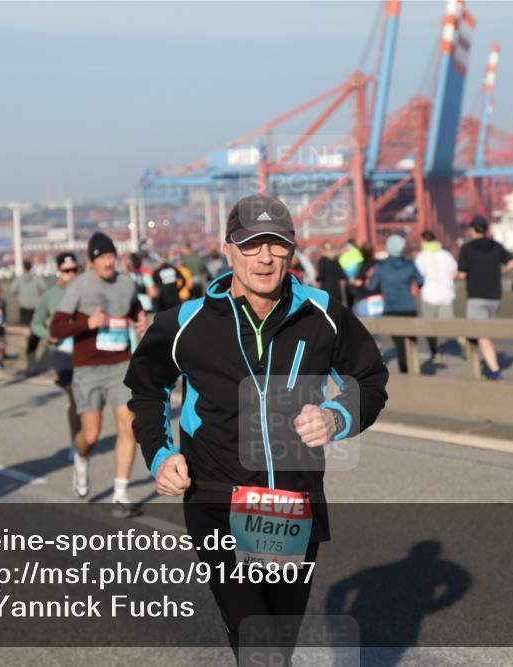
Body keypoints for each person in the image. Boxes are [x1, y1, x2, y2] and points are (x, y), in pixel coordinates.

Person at [125, 194, 389, 662]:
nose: (264, 257)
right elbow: (147, 391)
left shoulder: (322, 314)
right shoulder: (188, 323)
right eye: (251, 245)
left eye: (276, 244)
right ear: (228, 251)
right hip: (218, 503)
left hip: (294, 507)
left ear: (291, 249)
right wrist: (162, 454)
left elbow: (369, 378)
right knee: (257, 643)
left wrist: (337, 416)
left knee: (275, 647)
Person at [49, 232, 147, 517]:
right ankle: (80, 460)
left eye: (111, 256)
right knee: (90, 435)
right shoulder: (79, 286)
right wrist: (87, 324)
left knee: (128, 426)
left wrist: (139, 318)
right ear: (91, 262)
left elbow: (133, 307)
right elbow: (56, 329)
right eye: (102, 257)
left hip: (121, 366)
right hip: (88, 369)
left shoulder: (126, 282)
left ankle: (120, 493)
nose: (108, 262)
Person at [32, 252, 82, 461]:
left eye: (74, 270)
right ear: (58, 271)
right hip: (61, 352)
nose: (71, 274)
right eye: (66, 271)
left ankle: (84, 436)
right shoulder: (50, 295)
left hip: (83, 350)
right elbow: (36, 324)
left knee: (87, 401)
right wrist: (49, 335)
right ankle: (76, 443)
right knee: (74, 397)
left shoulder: (87, 291)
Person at [456, 216, 513, 380]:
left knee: (480, 335)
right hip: (495, 296)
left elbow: (462, 274)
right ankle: (491, 362)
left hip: (476, 296)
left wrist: (452, 275)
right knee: (486, 333)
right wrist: (500, 272)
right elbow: (512, 263)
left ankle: (495, 371)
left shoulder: (466, 249)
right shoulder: (496, 246)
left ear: (473, 230)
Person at [368, 234, 423, 374]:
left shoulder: (380, 267)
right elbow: (421, 281)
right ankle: (414, 369)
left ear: (388, 247)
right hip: (410, 308)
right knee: (411, 342)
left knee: (400, 345)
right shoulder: (410, 264)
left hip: (391, 309)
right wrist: (415, 286)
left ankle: (405, 372)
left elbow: (372, 287)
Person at [413, 230, 457, 363]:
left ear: (424, 241)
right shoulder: (446, 254)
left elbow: (418, 276)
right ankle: (465, 345)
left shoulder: (421, 256)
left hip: (429, 295)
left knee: (429, 326)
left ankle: (434, 352)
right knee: (450, 325)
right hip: (446, 294)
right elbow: (455, 272)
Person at [11, 260, 47, 368]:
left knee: (26, 332)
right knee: (35, 331)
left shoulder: (19, 279)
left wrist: (21, 296)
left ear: (23, 268)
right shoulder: (36, 279)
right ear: (31, 267)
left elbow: (13, 290)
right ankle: (32, 354)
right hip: (35, 308)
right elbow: (45, 289)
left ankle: (28, 356)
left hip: (24, 308)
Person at [315, 241, 345, 307]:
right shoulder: (336, 260)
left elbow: (320, 276)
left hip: (326, 290)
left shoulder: (322, 261)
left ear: (322, 250)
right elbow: (342, 276)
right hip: (336, 290)